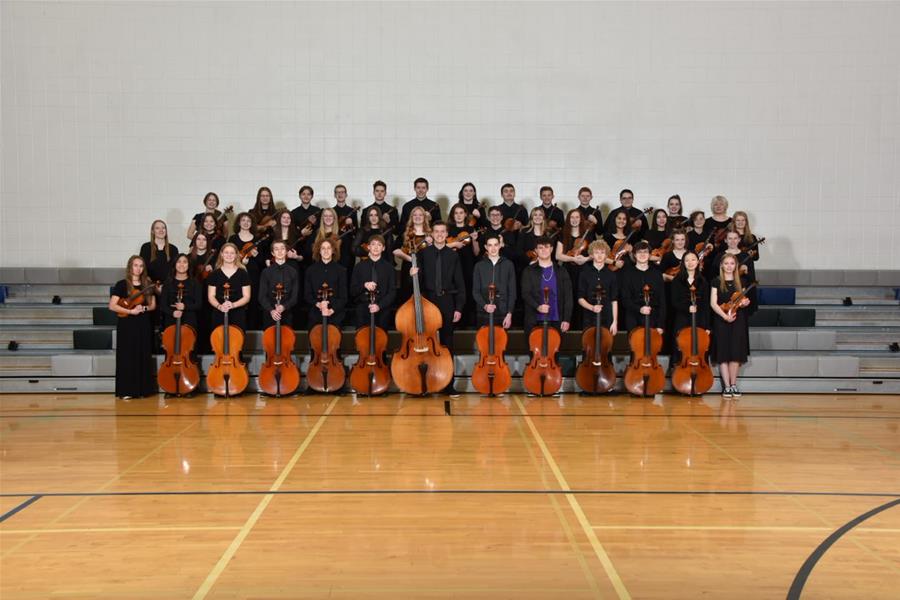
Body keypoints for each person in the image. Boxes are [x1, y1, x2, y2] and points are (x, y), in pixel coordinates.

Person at [412, 222, 466, 395]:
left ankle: (448, 384)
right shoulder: (423, 254)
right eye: (436, 231)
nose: (440, 234)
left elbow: (460, 282)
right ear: (432, 234)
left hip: (447, 300)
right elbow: (417, 283)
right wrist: (413, 275)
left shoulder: (453, 255)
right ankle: (424, 382)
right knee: (426, 340)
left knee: (447, 343)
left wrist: (458, 307)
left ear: (447, 234)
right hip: (428, 300)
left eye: (443, 232)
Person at [109, 255, 156, 398]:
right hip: (127, 323)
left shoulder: (147, 284)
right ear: (130, 267)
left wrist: (144, 308)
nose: (138, 269)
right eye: (135, 265)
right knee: (127, 356)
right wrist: (130, 311)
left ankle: (143, 390)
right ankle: (126, 391)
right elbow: (112, 306)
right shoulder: (122, 284)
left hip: (143, 323)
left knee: (143, 354)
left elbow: (152, 305)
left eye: (141, 266)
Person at [710, 254, 750, 398]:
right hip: (721, 320)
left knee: (735, 353)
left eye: (732, 263)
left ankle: (733, 385)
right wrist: (724, 316)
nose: (729, 266)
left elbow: (742, 301)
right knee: (723, 353)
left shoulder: (741, 282)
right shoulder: (716, 281)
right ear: (721, 265)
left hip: (737, 320)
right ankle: (726, 387)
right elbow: (713, 303)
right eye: (726, 263)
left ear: (736, 265)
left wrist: (745, 303)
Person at [521, 236, 573, 334]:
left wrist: (566, 319)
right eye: (540, 247)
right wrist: (538, 307)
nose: (544, 250)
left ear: (552, 249)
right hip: (534, 320)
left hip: (557, 320)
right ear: (536, 250)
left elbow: (568, 297)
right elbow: (525, 293)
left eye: (546, 247)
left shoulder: (561, 271)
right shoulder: (528, 271)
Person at [669, 251, 710, 366]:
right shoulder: (677, 280)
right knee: (681, 347)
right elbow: (674, 302)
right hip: (682, 319)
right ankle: (680, 372)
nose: (690, 263)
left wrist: (707, 326)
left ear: (698, 262)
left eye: (693, 259)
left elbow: (706, 305)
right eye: (687, 260)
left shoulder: (703, 281)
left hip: (700, 319)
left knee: (699, 347)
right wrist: (687, 308)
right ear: (683, 263)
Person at [555, 209, 594, 328]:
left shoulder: (588, 234)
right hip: (567, 270)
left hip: (584, 271)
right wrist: (573, 259)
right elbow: (558, 255)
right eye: (572, 217)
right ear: (568, 219)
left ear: (581, 219)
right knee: (568, 296)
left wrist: (585, 259)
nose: (575, 220)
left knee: (583, 296)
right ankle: (567, 324)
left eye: (577, 217)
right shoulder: (563, 234)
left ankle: (583, 326)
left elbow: (594, 254)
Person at [350, 235, 396, 330]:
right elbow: (352, 291)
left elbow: (392, 292)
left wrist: (379, 306)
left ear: (383, 248)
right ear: (368, 247)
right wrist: (364, 285)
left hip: (382, 309)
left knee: (381, 338)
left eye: (379, 245)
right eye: (373, 244)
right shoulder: (359, 267)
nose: (376, 247)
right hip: (363, 309)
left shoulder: (389, 268)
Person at [619, 241, 666, 332]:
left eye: (645, 252)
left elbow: (662, 300)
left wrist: (660, 324)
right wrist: (639, 309)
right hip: (633, 318)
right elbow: (625, 299)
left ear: (649, 255)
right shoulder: (627, 274)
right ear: (634, 255)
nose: (642, 254)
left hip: (653, 318)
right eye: (639, 252)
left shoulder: (657, 274)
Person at [472, 234, 516, 329]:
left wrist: (509, 314)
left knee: (501, 338)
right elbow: (475, 291)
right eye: (490, 245)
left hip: (503, 311)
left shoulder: (508, 265)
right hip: (483, 311)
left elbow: (512, 292)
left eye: (496, 245)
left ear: (500, 246)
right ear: (485, 247)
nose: (493, 248)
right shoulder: (479, 266)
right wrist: (485, 306)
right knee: (483, 338)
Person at [227, 212, 263, 329]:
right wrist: (241, 263)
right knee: (237, 299)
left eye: (248, 221)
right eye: (243, 220)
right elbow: (228, 257)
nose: (246, 223)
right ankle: (237, 328)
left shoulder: (257, 239)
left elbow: (262, 261)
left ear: (252, 224)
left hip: (253, 274)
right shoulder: (233, 238)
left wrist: (256, 255)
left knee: (253, 301)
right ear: (239, 223)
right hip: (237, 274)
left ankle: (252, 329)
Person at [446, 204, 481, 325]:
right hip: (452, 265)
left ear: (466, 214)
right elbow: (440, 247)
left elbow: (476, 252)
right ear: (452, 215)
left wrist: (475, 240)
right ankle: (454, 320)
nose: (459, 215)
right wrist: (454, 244)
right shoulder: (448, 229)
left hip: (467, 264)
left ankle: (468, 321)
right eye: (456, 213)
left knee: (468, 290)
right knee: (454, 291)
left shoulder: (471, 229)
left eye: (461, 213)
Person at [206, 243, 252, 333]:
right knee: (218, 340)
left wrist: (233, 305)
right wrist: (219, 306)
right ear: (221, 254)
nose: (229, 255)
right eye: (226, 252)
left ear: (236, 255)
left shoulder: (243, 273)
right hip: (219, 312)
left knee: (237, 339)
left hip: (238, 313)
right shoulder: (214, 274)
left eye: (232, 253)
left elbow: (247, 297)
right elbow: (211, 296)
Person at [304, 238, 348, 327]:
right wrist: (318, 304)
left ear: (333, 251)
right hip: (315, 314)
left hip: (335, 315)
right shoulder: (310, 270)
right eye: (323, 248)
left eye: (329, 248)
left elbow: (344, 297)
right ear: (319, 251)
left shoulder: (341, 270)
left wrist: (331, 310)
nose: (326, 251)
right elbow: (307, 295)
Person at [577, 240, 619, 334]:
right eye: (596, 252)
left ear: (606, 255)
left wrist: (615, 321)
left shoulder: (612, 275)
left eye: (602, 252)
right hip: (589, 316)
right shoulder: (584, 274)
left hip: (607, 316)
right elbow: (580, 298)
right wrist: (592, 307)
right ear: (591, 255)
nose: (599, 255)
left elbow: (614, 300)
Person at [393, 205, 433, 305]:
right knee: (407, 296)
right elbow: (395, 250)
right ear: (411, 217)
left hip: (427, 268)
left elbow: (437, 251)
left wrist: (431, 244)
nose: (417, 217)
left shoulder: (430, 233)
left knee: (426, 297)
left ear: (424, 217)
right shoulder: (405, 233)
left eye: (420, 215)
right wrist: (410, 259)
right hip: (408, 268)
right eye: (415, 215)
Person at [258, 240, 300, 329]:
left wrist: (284, 307)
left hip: (287, 313)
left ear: (286, 251)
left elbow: (294, 297)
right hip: (269, 314)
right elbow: (262, 296)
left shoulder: (293, 272)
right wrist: (271, 310)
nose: (280, 251)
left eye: (282, 248)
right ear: (272, 253)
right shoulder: (266, 272)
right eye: (276, 249)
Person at [159, 254, 202, 335]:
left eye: (185, 262)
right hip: (171, 319)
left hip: (189, 320)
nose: (182, 264)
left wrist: (185, 306)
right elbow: (163, 305)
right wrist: (172, 313)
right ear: (174, 264)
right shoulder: (168, 283)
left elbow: (199, 304)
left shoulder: (195, 283)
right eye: (179, 262)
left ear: (189, 265)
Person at [140, 219, 179, 285]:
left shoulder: (173, 249)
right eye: (157, 228)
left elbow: (175, 270)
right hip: (150, 285)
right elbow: (142, 268)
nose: (161, 230)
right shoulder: (146, 247)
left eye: (163, 228)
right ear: (153, 231)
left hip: (169, 285)